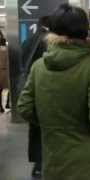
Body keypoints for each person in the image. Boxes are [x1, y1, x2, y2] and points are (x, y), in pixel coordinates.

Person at [17, 4, 90, 180]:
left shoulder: (38, 67)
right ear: (85, 32)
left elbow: (24, 107)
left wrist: (49, 124)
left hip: (51, 158)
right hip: (85, 161)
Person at [20, 15, 50, 178]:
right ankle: (44, 163)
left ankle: (38, 165)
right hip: (46, 91)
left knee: (35, 128)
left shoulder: (27, 42)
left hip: (31, 91)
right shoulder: (48, 42)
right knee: (48, 129)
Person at [0, 30, 8, 113]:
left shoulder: (3, 46)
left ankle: (1, 106)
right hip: (2, 71)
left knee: (1, 89)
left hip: (2, 71)